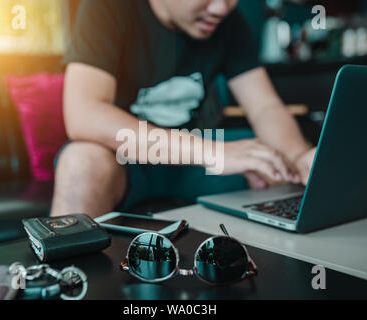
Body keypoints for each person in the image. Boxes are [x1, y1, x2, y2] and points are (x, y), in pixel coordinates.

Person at [51, 0, 316, 218]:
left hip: (192, 162)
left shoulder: (229, 24)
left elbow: (265, 107)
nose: (221, 8)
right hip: (125, 159)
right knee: (80, 161)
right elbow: (84, 114)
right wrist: (212, 152)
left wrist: (298, 155)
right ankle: (64, 277)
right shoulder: (108, 8)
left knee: (273, 159)